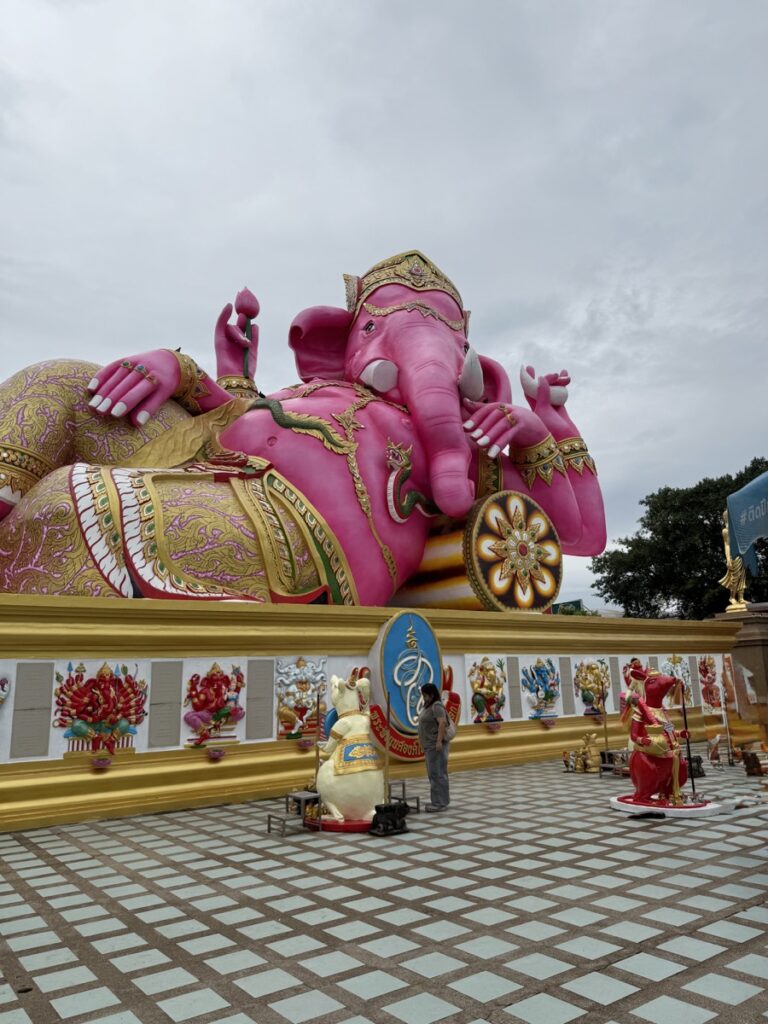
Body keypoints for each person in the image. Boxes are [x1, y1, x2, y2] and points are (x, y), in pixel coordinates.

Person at [418, 682, 450, 812]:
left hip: (435, 746)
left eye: (425, 695)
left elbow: (442, 723)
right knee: (433, 774)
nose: (424, 698)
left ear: (431, 695)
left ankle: (439, 803)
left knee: (437, 774)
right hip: (429, 745)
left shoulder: (436, 706)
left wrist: (438, 741)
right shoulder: (428, 706)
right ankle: (439, 800)